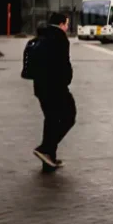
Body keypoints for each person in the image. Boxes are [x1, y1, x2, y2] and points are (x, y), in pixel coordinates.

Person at [32, 12, 76, 171]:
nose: (67, 27)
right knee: (69, 116)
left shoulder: (43, 35)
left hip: (41, 87)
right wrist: (66, 80)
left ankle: (48, 161)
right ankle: (46, 149)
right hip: (56, 87)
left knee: (51, 120)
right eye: (67, 24)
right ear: (61, 24)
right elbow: (63, 63)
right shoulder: (60, 38)